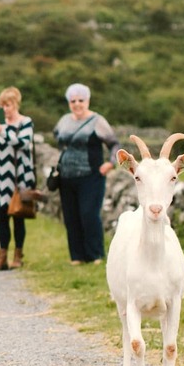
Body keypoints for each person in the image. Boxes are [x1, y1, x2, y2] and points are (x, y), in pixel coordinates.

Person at [52, 83, 120, 266]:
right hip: (66, 176)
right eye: (73, 101)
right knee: (71, 216)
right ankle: (77, 256)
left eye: (81, 100)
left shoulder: (97, 121)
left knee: (89, 214)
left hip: (91, 175)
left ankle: (96, 254)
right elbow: (57, 136)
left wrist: (111, 163)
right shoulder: (64, 120)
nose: (77, 104)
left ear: (88, 101)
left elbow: (114, 144)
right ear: (68, 103)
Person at [0, 86, 35, 271]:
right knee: (2, 217)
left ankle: (18, 255)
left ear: (16, 104)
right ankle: (2, 257)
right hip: (0, 178)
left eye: (8, 104)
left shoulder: (26, 122)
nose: (5, 108)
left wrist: (3, 131)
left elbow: (23, 142)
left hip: (19, 176)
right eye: (2, 105)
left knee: (18, 216)